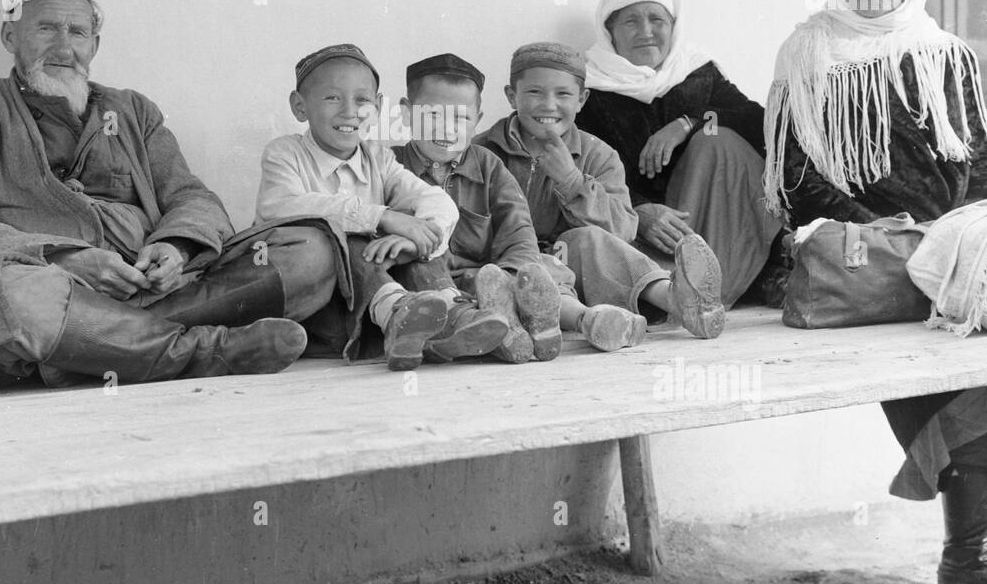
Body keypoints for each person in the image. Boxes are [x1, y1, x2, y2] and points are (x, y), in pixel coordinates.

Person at [764, 0, 987, 584]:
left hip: (949, 241)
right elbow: (794, 177)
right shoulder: (806, 53)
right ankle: (974, 548)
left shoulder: (946, 51)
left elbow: (978, 162)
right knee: (941, 388)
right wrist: (893, 230)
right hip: (863, 254)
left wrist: (978, 233)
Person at [0, 0, 337, 404]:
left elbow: (191, 197)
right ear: (10, 37)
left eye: (77, 32)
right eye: (46, 28)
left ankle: (94, 349)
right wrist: (70, 259)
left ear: (94, 44)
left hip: (160, 290)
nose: (63, 45)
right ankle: (200, 350)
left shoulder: (133, 110)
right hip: (55, 288)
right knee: (14, 295)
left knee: (311, 251)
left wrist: (176, 248)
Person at [255, 43, 510, 370]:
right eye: (332, 98)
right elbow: (283, 206)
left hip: (370, 303)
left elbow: (434, 201)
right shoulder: (284, 153)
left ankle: (450, 315)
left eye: (362, 100)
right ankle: (403, 318)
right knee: (350, 234)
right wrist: (383, 216)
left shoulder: (379, 158)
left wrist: (414, 237)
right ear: (299, 106)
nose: (349, 112)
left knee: (412, 235)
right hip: (319, 304)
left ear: (375, 108)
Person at [475, 42, 726, 345]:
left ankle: (680, 301)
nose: (549, 105)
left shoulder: (599, 155)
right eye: (534, 92)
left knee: (584, 239)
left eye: (563, 94)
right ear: (511, 96)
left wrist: (571, 181)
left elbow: (621, 231)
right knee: (534, 265)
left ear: (582, 100)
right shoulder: (481, 152)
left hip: (578, 273)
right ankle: (596, 322)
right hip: (512, 269)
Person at [577, 0, 784, 305]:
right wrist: (640, 211)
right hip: (643, 227)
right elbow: (582, 170)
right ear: (609, 31)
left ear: (673, 26)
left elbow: (759, 124)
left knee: (718, 141)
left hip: (709, 217)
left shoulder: (696, 72)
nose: (646, 31)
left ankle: (717, 283)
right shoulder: (588, 89)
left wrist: (690, 122)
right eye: (631, 20)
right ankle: (680, 291)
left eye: (657, 19)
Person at [391, 52, 562, 363]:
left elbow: (518, 231)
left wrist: (511, 280)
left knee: (545, 271)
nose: (446, 129)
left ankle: (532, 324)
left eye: (460, 118)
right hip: (429, 291)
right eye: (432, 115)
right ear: (405, 113)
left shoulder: (487, 166)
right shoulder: (390, 168)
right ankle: (508, 331)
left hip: (487, 283)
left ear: (478, 120)